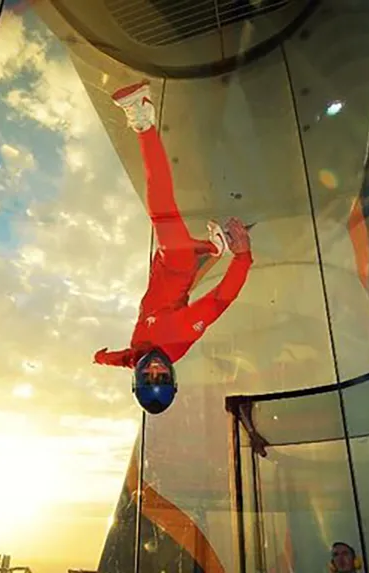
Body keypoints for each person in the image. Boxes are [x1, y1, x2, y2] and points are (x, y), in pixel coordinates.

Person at [93, 80, 254, 411]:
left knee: (168, 225)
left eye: (148, 377)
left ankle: (211, 249)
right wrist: (243, 257)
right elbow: (221, 299)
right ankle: (143, 120)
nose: (155, 369)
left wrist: (100, 358)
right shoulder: (181, 337)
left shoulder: (135, 356)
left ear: (137, 377)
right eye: (163, 377)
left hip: (162, 269)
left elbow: (118, 359)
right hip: (178, 268)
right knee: (161, 208)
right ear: (172, 375)